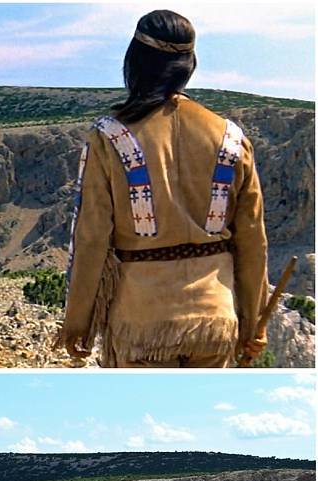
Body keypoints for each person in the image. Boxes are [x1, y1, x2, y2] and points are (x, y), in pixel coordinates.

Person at [60, 9, 269, 368]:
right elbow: (252, 240)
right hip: (214, 321)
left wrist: (78, 322)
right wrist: (254, 324)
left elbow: (92, 238)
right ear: (189, 64)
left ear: (135, 62)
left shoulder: (110, 137)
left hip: (140, 322)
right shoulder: (231, 138)